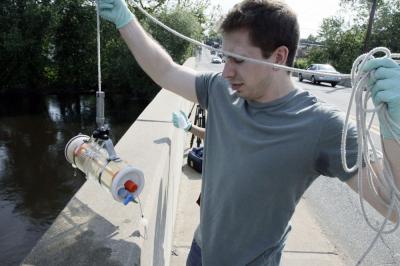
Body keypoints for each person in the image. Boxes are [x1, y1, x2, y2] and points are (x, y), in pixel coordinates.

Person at [99, 0, 400, 265]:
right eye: (225, 57)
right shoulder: (219, 90)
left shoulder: (321, 125)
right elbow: (165, 71)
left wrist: (395, 129)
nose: (227, 70)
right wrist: (126, 20)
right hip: (200, 251)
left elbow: (392, 204)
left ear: (279, 57)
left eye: (239, 59)